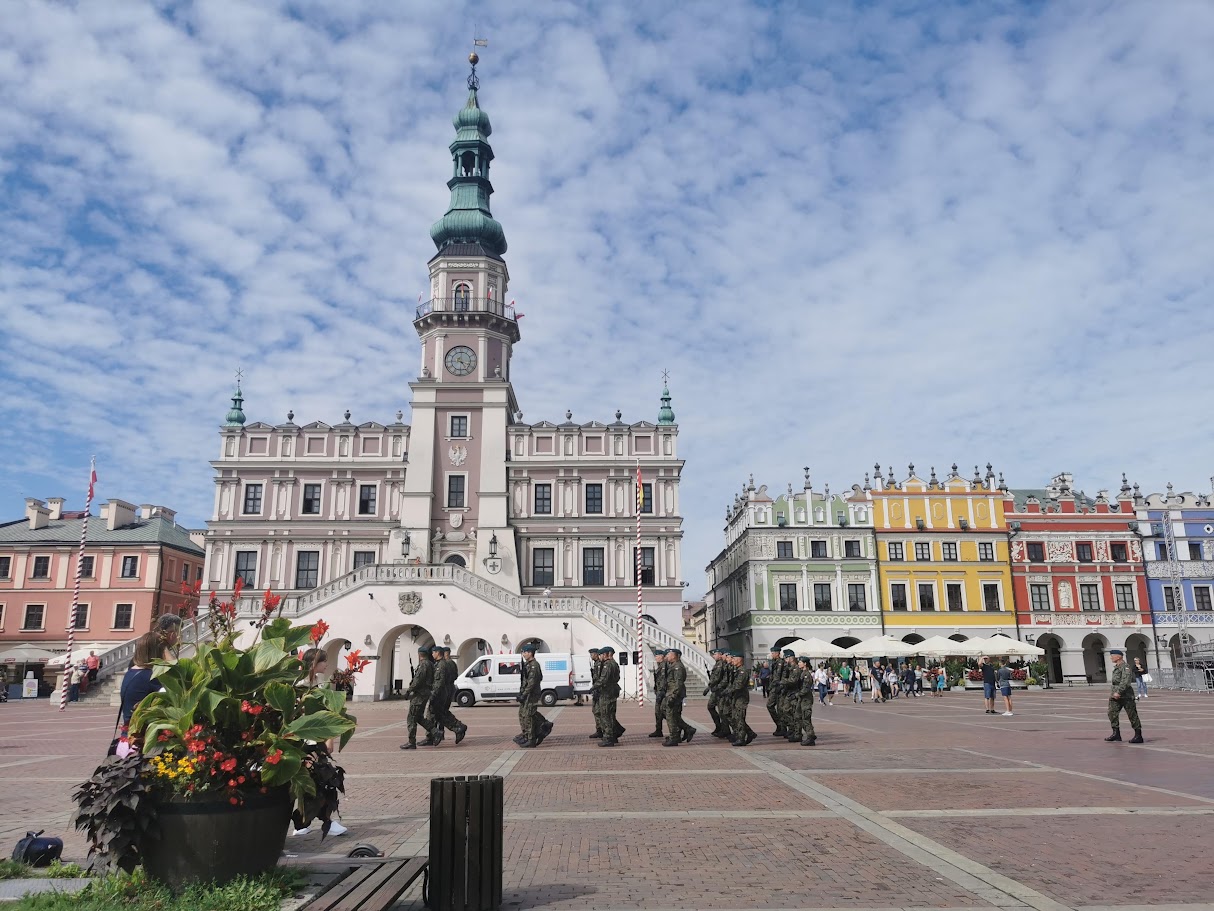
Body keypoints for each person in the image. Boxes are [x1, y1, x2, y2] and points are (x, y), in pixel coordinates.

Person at [292, 648, 349, 837]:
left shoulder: (317, 682)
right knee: (320, 779)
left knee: (319, 780)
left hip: (314, 736)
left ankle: (303, 823)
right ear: (314, 663)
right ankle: (319, 822)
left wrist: (329, 736)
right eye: (324, 661)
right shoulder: (301, 684)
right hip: (306, 738)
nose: (326, 664)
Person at [424, 645, 467, 746]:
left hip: (441, 692)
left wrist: (433, 694)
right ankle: (453, 728)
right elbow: (455, 676)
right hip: (447, 690)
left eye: (433, 652)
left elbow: (439, 681)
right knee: (441, 713)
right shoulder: (449, 664)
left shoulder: (442, 665)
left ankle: (457, 728)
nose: (432, 654)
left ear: (439, 653)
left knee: (437, 714)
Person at [399, 646, 435, 750]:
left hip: (419, 694)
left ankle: (411, 742)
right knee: (418, 717)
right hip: (425, 693)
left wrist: (409, 690)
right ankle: (435, 732)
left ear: (419, 654)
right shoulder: (430, 664)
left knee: (412, 718)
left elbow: (418, 680)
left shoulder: (424, 665)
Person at [1106, 649, 1143, 743]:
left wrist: (1119, 692)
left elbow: (1125, 681)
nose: (1111, 657)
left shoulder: (1125, 667)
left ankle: (1138, 736)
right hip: (1115, 696)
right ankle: (1116, 734)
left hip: (1126, 696)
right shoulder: (1116, 667)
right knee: (1111, 713)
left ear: (1118, 656)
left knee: (1132, 715)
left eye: (1112, 656)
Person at [662, 649, 695, 746]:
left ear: (675, 656)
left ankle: (675, 736)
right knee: (667, 712)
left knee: (671, 714)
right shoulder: (672, 665)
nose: (667, 656)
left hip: (674, 694)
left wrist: (673, 696)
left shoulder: (678, 667)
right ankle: (686, 729)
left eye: (669, 654)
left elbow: (678, 683)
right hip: (670, 693)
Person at [516, 642, 545, 748]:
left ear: (530, 653)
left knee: (528, 716)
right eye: (523, 652)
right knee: (522, 714)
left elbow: (532, 682)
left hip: (531, 694)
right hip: (527, 693)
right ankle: (526, 735)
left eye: (525, 652)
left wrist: (524, 694)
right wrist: (521, 693)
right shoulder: (528, 664)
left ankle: (531, 738)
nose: (523, 654)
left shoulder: (534, 665)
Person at [726, 652, 756, 746]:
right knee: (736, 717)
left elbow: (738, 685)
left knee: (739, 717)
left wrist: (728, 691)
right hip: (736, 697)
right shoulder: (737, 670)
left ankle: (741, 738)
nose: (732, 661)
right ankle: (750, 733)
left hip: (741, 697)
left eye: (734, 659)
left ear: (739, 660)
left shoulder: (742, 671)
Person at [596, 646, 622, 746]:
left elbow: (603, 679)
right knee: (610, 715)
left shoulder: (608, 665)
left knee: (605, 715)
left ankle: (608, 738)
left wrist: (593, 688)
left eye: (601, 655)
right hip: (611, 692)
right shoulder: (614, 664)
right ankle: (613, 735)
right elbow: (617, 677)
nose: (600, 657)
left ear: (605, 654)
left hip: (606, 693)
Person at [705, 648, 729, 737]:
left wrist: (709, 687)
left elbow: (718, 678)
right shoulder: (717, 664)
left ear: (720, 655)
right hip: (715, 689)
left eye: (715, 654)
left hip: (719, 690)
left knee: (722, 710)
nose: (714, 656)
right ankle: (719, 726)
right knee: (710, 707)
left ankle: (724, 729)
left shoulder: (721, 664)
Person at [794, 656, 817, 746]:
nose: (798, 663)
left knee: (806, 718)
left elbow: (806, 689)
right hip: (802, 699)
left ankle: (810, 737)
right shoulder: (802, 673)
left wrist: (797, 694)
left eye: (800, 662)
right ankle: (811, 734)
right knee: (798, 716)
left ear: (805, 664)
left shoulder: (807, 674)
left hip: (806, 699)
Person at [649, 649, 668, 738]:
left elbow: (664, 681)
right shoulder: (660, 666)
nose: (655, 658)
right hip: (659, 692)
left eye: (657, 656)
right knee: (658, 712)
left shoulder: (664, 666)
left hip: (663, 693)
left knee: (664, 712)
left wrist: (661, 692)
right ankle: (658, 730)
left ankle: (681, 727)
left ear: (662, 656)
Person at [765, 648, 784, 735]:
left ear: (777, 653)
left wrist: (773, 686)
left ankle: (782, 727)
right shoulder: (774, 662)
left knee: (780, 709)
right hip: (774, 687)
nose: (772, 655)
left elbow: (777, 676)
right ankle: (779, 725)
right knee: (770, 706)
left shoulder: (780, 662)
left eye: (773, 653)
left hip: (778, 688)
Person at [587, 648, 604, 739]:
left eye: (592, 654)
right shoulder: (596, 664)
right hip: (596, 690)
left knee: (599, 712)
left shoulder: (599, 664)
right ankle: (599, 729)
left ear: (597, 654)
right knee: (595, 711)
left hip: (599, 691)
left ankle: (602, 730)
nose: (591, 656)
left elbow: (600, 679)